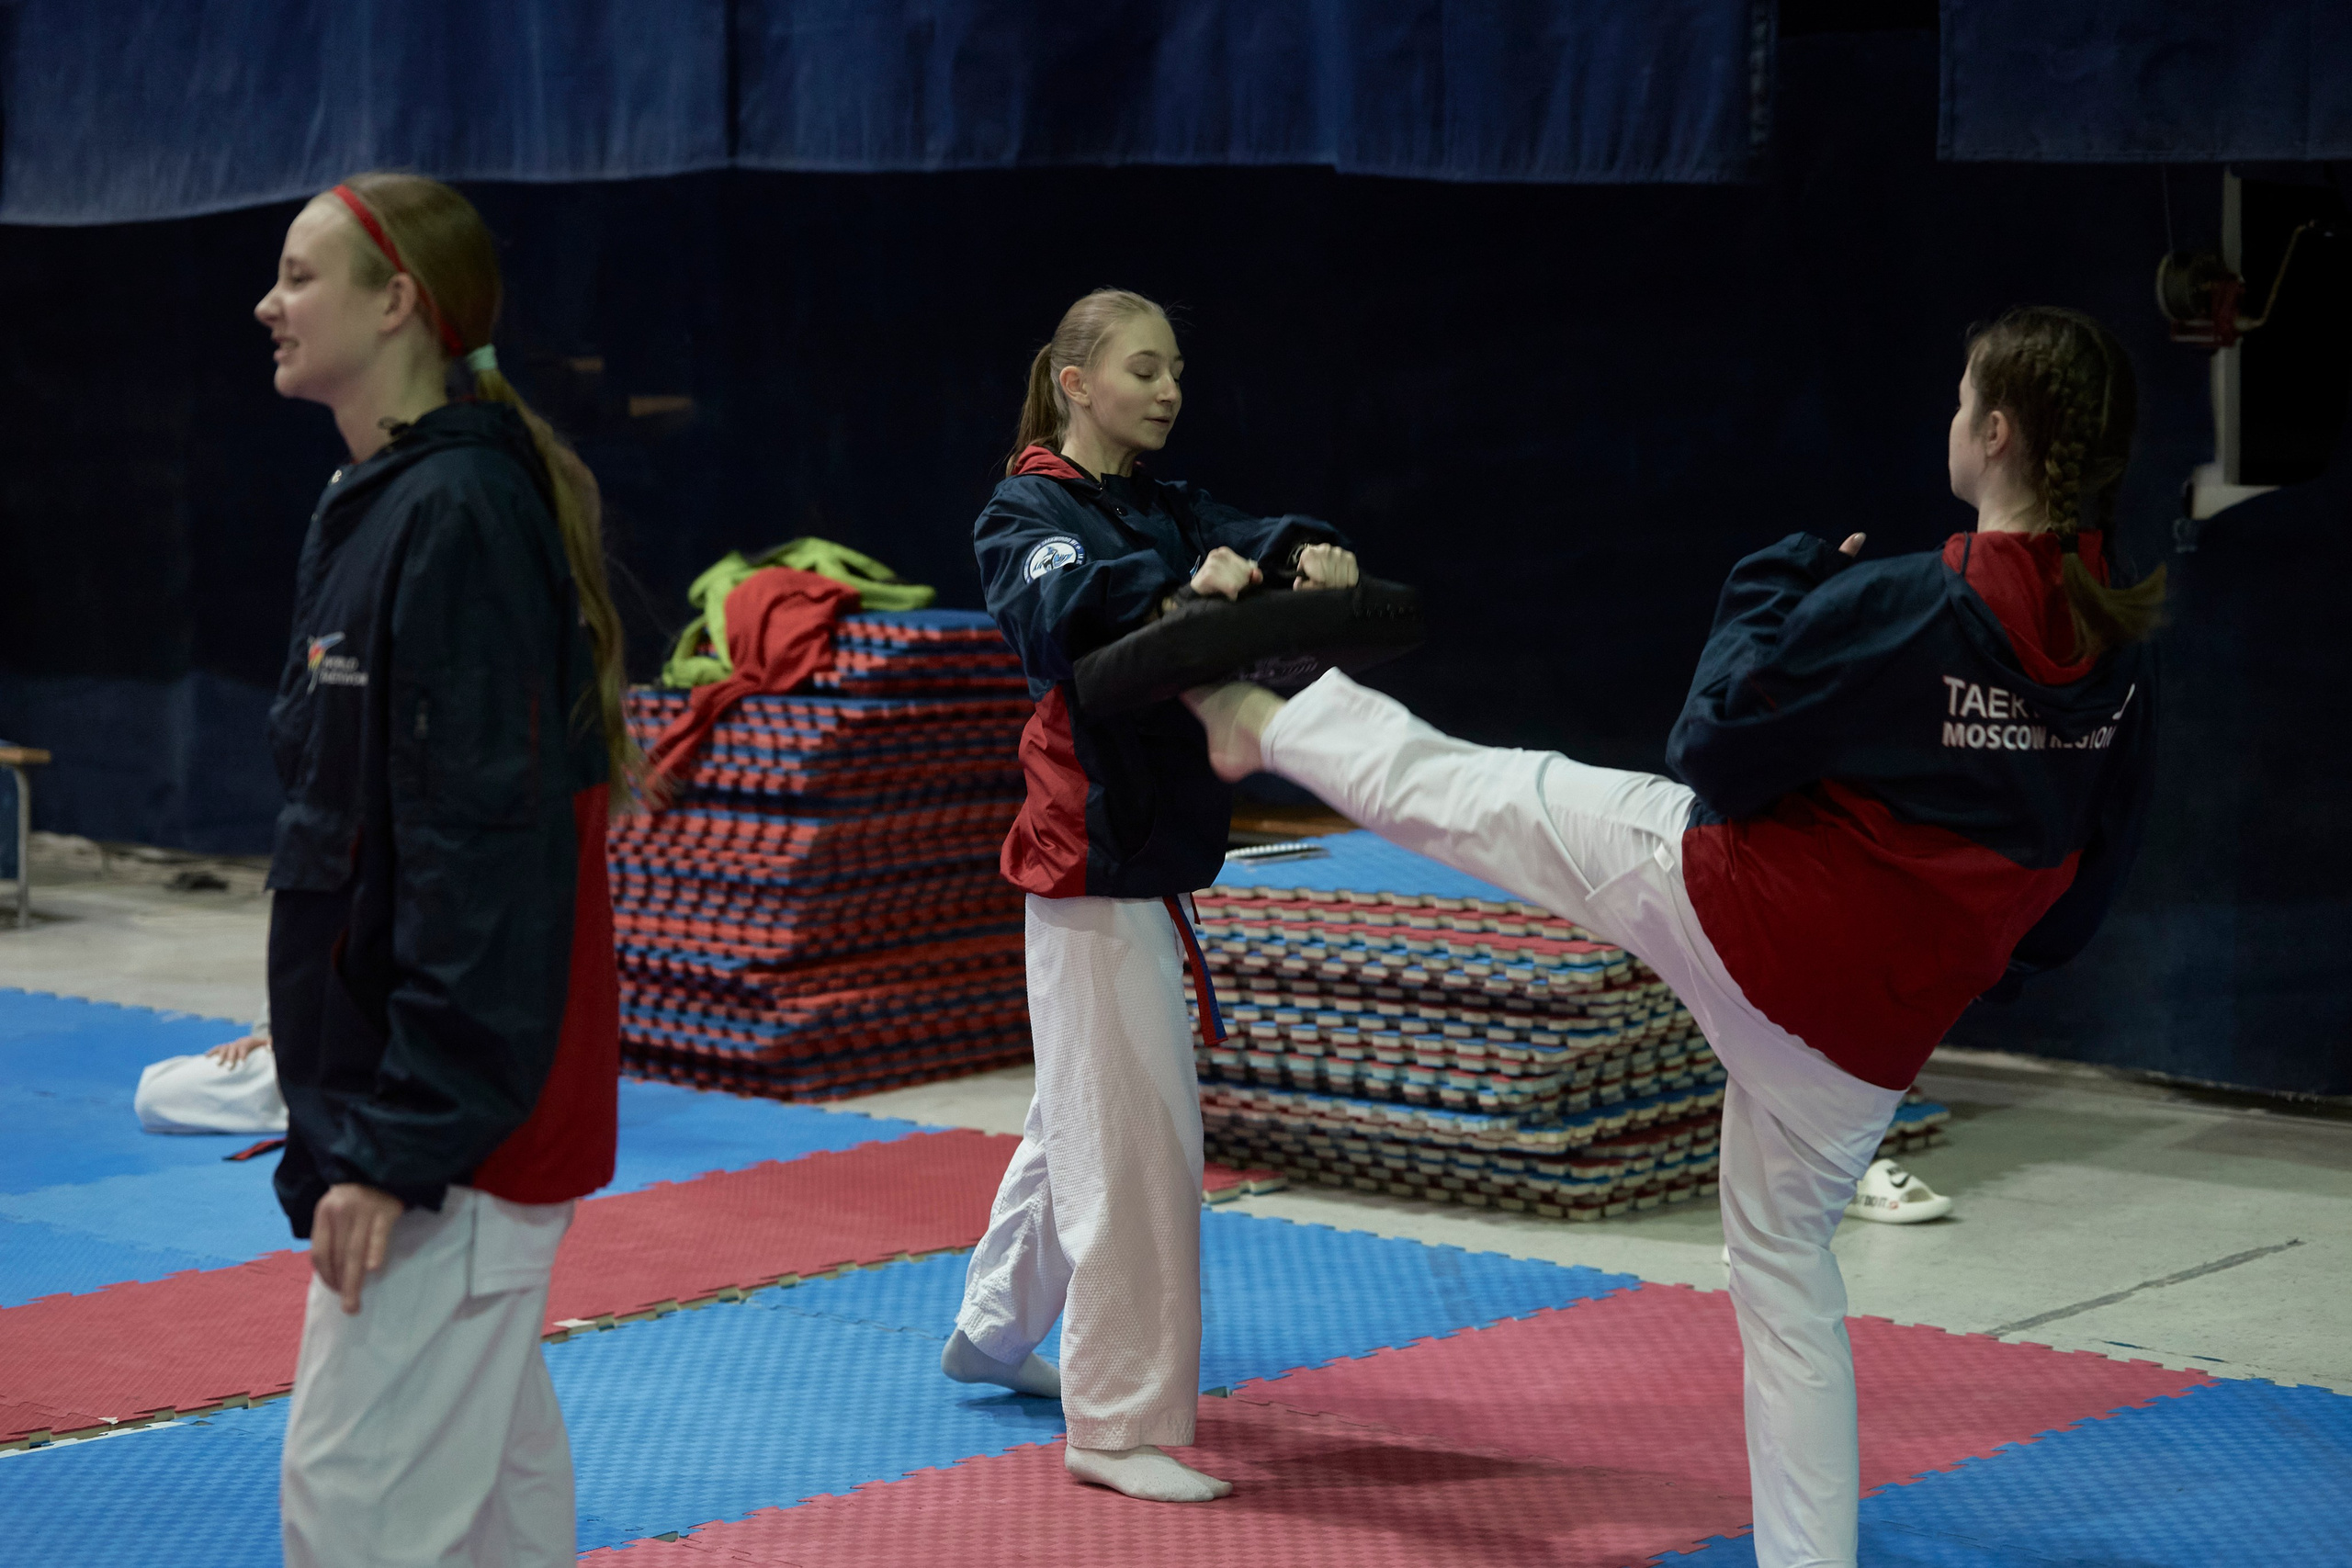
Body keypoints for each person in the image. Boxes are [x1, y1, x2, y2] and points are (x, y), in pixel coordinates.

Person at [1185, 306, 2160, 1565]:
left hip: (1745, 916)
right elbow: (2081, 896)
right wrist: (1959, 959)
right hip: (1867, 1041)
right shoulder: (2117, 654)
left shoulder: (1911, 606)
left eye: (1964, 396)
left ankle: (1258, 721)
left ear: (1999, 432)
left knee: (1496, 794)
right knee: (1786, 1270)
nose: (1953, 417)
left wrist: (1775, 583)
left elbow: (1711, 745)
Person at [252, 171, 636, 1567]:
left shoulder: (459, 514)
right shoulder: (383, 499)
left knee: (350, 1516)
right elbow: (363, 831)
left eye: (300, 276)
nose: (268, 305)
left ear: (397, 303)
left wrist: (400, 1141)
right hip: (426, 1100)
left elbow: (485, 862)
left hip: (457, 1136)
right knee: (488, 1519)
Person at [945, 288, 1358, 1503]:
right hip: (1091, 861)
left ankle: (991, 1330)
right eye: (1143, 368)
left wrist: (1303, 554)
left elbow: (1256, 528)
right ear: (1075, 382)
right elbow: (1063, 615)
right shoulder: (1028, 512)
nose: (1170, 389)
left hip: (1146, 858)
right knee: (1134, 1151)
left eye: (1177, 368)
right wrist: (1192, 589)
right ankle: (1114, 1424)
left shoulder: (1163, 504)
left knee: (1079, 1120)